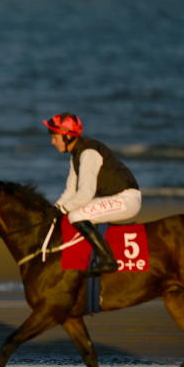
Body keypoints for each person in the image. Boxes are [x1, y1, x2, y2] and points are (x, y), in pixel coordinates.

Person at [44, 112, 141, 275]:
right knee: (71, 212)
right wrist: (53, 211)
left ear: (67, 137)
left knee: (75, 216)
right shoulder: (76, 154)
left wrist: (61, 211)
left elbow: (84, 195)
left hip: (127, 200)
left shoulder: (88, 153)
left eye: (55, 137)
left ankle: (108, 260)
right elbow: (70, 192)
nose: (52, 142)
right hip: (117, 197)